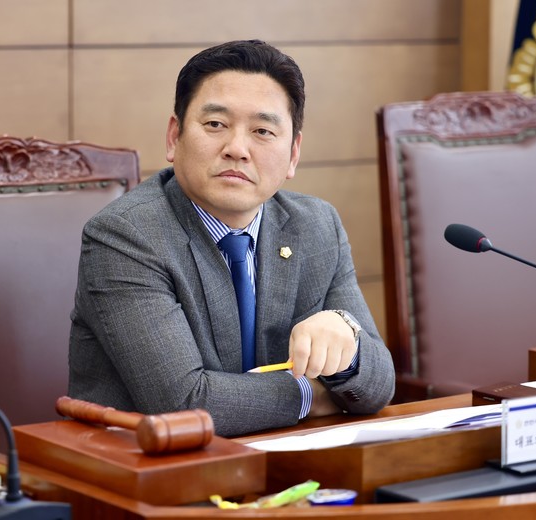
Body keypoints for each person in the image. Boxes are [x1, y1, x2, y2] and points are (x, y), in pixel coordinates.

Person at [68, 39, 395, 437]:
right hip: (148, 465)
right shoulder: (126, 235)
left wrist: (348, 351)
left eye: (262, 131)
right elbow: (186, 403)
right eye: (215, 125)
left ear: (293, 154)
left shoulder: (315, 225)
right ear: (174, 137)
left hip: (282, 462)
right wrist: (312, 396)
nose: (237, 149)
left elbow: (379, 385)